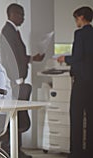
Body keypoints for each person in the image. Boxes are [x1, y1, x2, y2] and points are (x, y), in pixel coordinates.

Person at [0, 3, 45, 158]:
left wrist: (32, 58)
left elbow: (19, 55)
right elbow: (10, 57)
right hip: (14, 80)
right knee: (14, 115)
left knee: (18, 116)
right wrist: (17, 79)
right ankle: (10, 149)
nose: (23, 18)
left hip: (16, 79)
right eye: (21, 15)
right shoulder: (8, 31)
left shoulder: (13, 31)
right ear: (12, 14)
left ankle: (16, 149)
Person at [57, 6, 93, 158]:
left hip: (81, 81)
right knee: (90, 117)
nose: (76, 21)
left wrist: (64, 58)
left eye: (76, 18)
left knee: (76, 115)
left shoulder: (80, 33)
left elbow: (77, 57)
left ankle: (76, 152)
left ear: (81, 17)